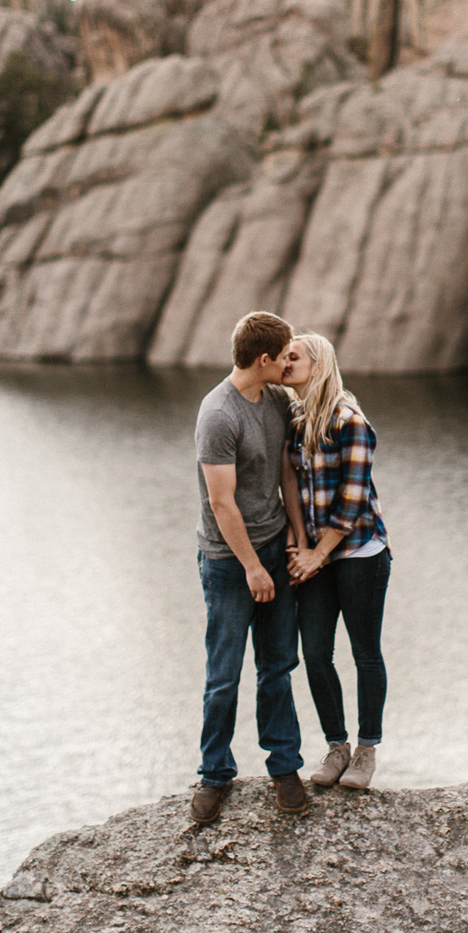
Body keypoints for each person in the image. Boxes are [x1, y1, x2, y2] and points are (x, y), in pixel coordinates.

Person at [191, 311, 310, 824]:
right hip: (228, 560)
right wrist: (252, 569)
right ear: (263, 359)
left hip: (274, 548)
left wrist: (299, 536)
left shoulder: (279, 401)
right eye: (284, 355)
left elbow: (284, 471)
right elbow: (222, 504)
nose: (289, 362)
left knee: (278, 664)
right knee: (224, 673)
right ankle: (214, 773)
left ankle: (284, 766)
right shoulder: (218, 414)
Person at [283, 333, 391, 791]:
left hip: (359, 553)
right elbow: (288, 486)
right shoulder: (294, 419)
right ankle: (337, 745)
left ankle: (366, 751)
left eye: (294, 356)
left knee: (365, 653)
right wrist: (298, 545)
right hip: (314, 556)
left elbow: (349, 505)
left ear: (319, 364)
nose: (285, 363)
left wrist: (316, 554)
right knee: (314, 654)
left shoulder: (351, 423)